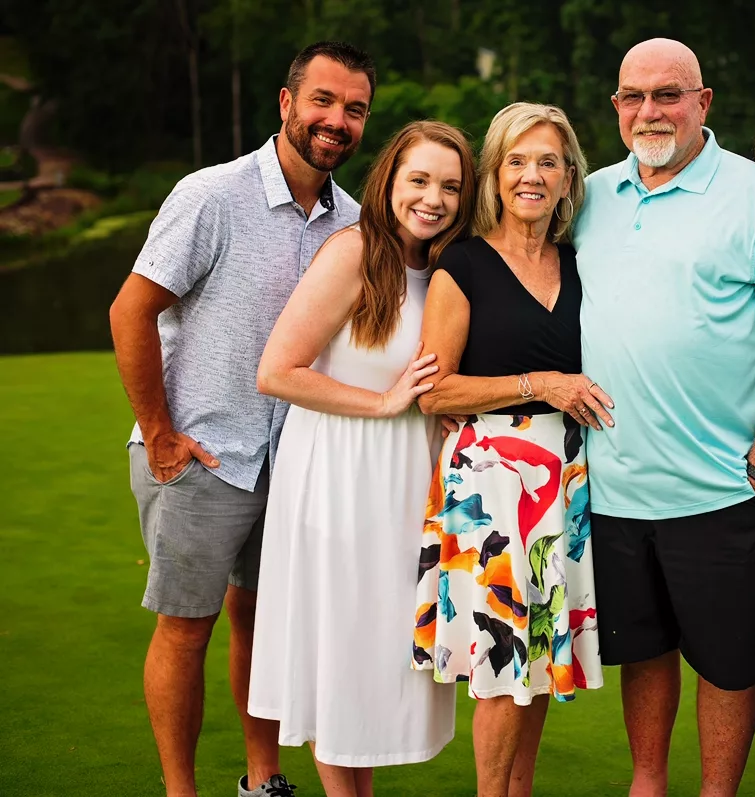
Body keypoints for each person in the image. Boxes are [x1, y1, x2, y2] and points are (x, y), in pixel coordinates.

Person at [107, 41, 374, 797]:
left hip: (292, 464)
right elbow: (131, 309)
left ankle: (263, 781)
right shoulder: (210, 195)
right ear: (287, 104)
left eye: (354, 109)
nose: (336, 120)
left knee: (260, 622)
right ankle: (180, 791)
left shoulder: (353, 224)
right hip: (201, 454)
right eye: (323, 101)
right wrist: (159, 433)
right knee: (186, 626)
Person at [572, 38, 755, 797]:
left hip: (721, 489)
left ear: (702, 102)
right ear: (615, 106)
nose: (649, 111)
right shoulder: (586, 196)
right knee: (644, 652)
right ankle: (646, 782)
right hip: (610, 489)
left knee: (723, 660)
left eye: (667, 94)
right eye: (632, 96)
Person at [247, 120, 474, 797]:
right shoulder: (352, 253)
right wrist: (381, 403)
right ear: (389, 182)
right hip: (339, 476)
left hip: (409, 484)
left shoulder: (444, 272)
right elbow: (277, 370)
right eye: (419, 180)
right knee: (339, 649)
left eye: (450, 186)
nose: (432, 198)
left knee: (378, 654)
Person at [412, 102, 606, 797]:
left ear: (567, 177)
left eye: (547, 161)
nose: (532, 175)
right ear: (493, 174)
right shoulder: (461, 264)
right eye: (516, 161)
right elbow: (433, 393)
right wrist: (540, 383)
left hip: (565, 483)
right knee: (503, 668)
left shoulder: (579, 264)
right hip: (490, 484)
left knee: (538, 663)